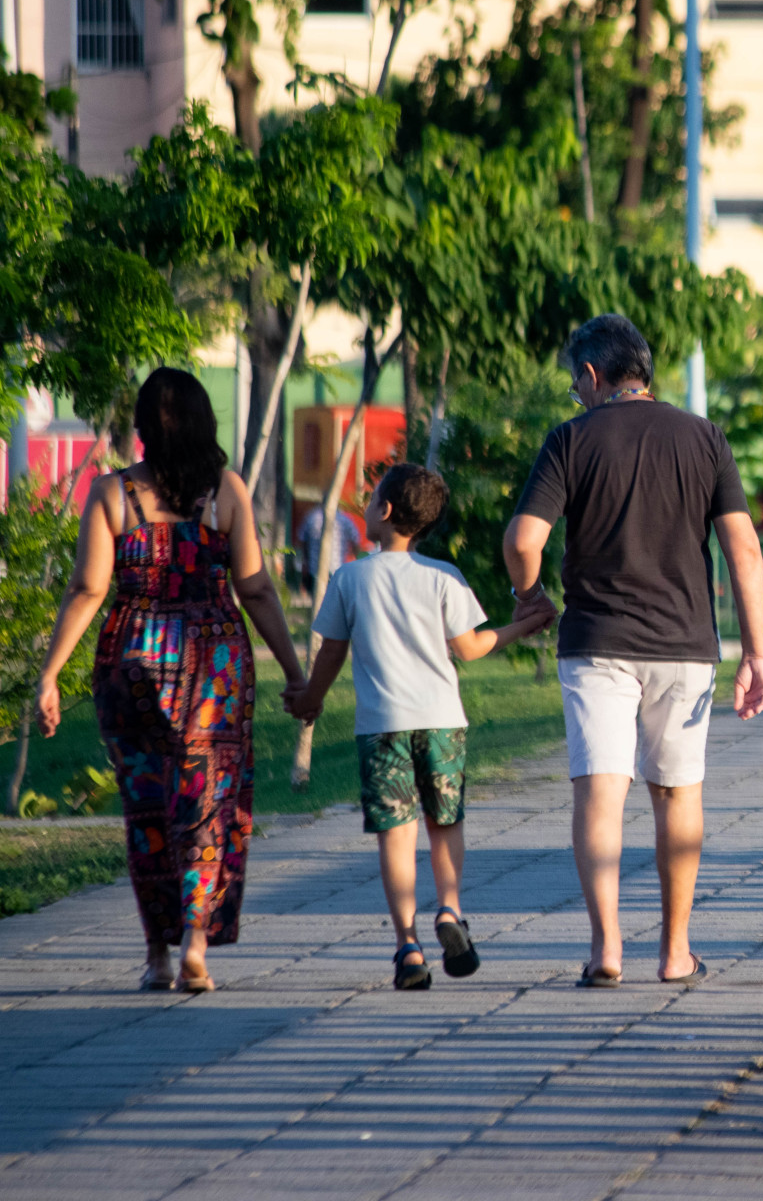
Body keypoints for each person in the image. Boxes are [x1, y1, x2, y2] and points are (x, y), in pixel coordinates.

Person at [503, 314, 763, 988]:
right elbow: (744, 549)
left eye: (575, 383)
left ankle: (606, 949)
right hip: (685, 646)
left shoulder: (572, 440)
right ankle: (676, 952)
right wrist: (756, 654)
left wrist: (529, 595)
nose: (575, 394)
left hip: (596, 644)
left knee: (601, 792)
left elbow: (522, 540)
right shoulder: (704, 437)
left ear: (593, 377)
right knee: (677, 793)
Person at [33, 368, 308, 993]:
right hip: (212, 665)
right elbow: (257, 589)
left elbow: (88, 589)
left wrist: (51, 675)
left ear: (141, 431)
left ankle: (156, 954)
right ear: (206, 423)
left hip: (130, 658)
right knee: (208, 806)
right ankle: (196, 946)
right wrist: (295, 674)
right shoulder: (225, 491)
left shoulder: (112, 493)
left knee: (147, 809)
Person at [286, 464, 552, 990]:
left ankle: (407, 945)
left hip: (382, 728)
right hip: (442, 724)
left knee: (396, 834)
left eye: (370, 498)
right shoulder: (443, 577)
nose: (365, 504)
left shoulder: (350, 578)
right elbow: (471, 649)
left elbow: (331, 653)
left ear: (384, 512)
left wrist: (310, 700)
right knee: (445, 823)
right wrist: (524, 624)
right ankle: (450, 911)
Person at [298, 504, 362, 598]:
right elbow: (356, 540)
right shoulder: (345, 519)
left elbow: (302, 541)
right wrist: (354, 558)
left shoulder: (312, 517)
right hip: (338, 569)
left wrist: (306, 560)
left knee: (317, 600)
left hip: (315, 569)